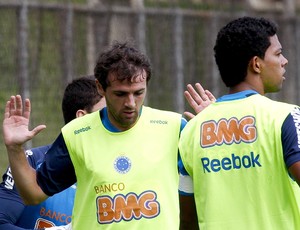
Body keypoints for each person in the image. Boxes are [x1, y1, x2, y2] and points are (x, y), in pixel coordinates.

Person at [2, 41, 189, 229]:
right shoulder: (76, 134)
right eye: (121, 94)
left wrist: (212, 119)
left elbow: (205, 181)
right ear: (100, 88)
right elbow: (33, 194)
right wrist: (14, 148)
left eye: (139, 93)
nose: (131, 103)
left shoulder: (174, 127)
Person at [178, 16, 300, 230]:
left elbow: (187, 219)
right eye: (278, 54)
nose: (284, 61)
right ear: (256, 64)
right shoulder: (286, 116)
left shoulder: (192, 131)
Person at [0, 75, 105, 230]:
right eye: (105, 113)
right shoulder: (32, 162)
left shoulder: (117, 167)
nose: (113, 120)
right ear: (82, 118)